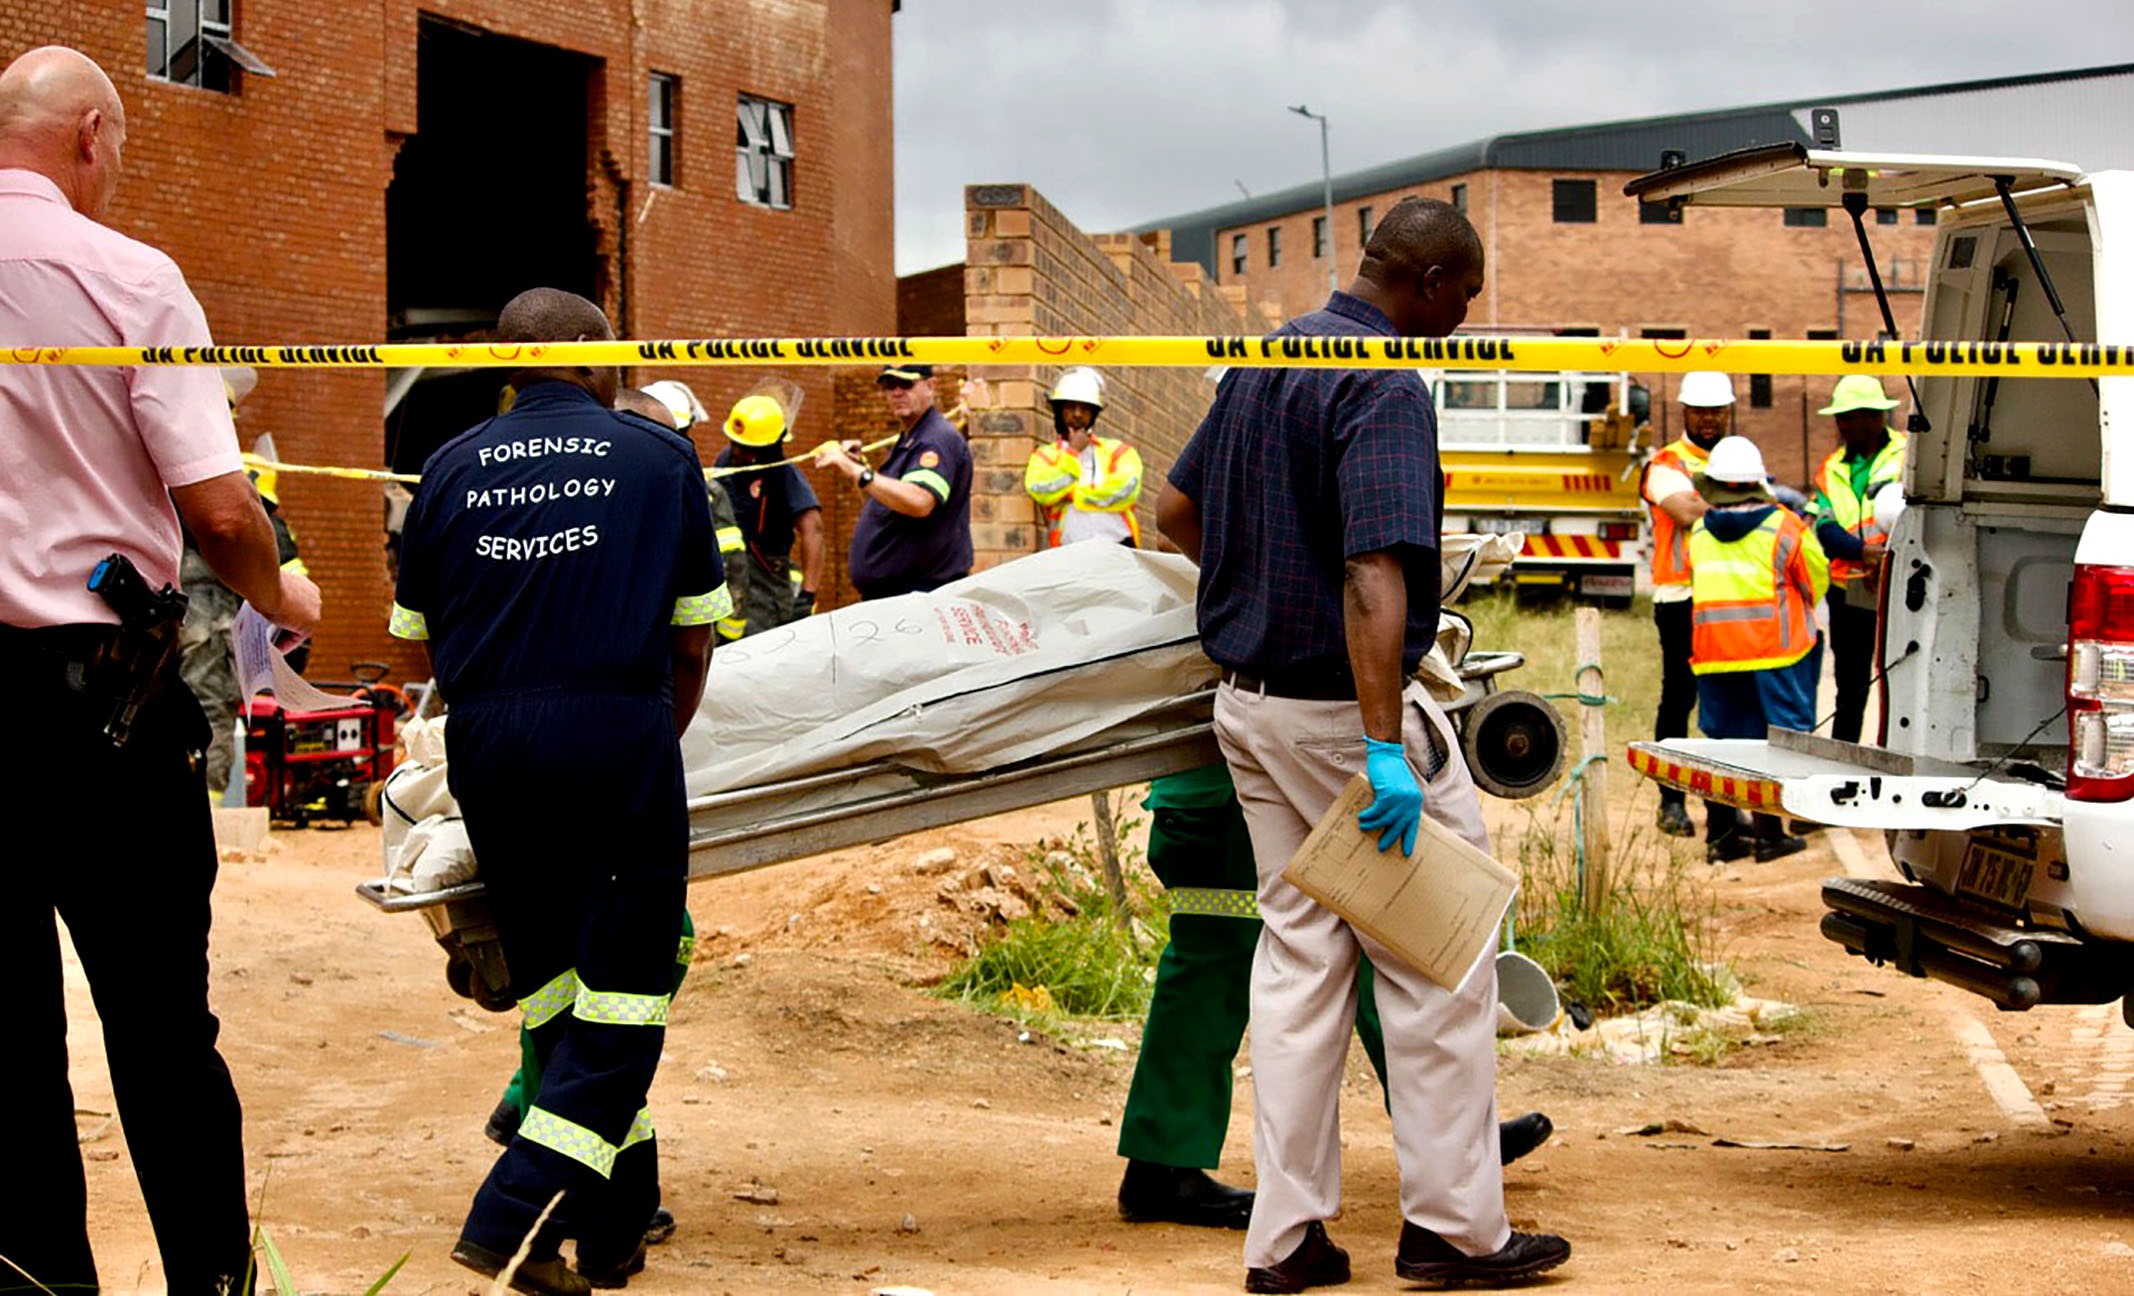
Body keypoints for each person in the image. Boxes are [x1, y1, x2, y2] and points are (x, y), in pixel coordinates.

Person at [1156, 196, 1569, 1292]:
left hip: (1250, 709)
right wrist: (1384, 744)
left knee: (1299, 966)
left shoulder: (1272, 357)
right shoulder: (1382, 382)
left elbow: (1175, 510)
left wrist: (1259, 584)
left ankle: (1287, 1240)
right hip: (1346, 722)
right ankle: (1454, 1232)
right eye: (1463, 299)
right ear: (1426, 284)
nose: (1463, 320)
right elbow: (1373, 570)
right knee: (1440, 965)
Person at [0, 45, 322, 1295]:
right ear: (90, 133)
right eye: (122, 145)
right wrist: (284, 596)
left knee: (6, 1052)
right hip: (105, 712)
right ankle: (211, 1285)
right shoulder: (130, 277)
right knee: (160, 1031)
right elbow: (223, 514)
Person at [390, 287, 726, 1295]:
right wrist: (640, 743)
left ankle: (610, 1232)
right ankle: (513, 1219)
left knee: (555, 996)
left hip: (489, 747)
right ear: (589, 353)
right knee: (626, 998)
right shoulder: (658, 458)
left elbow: (416, 644)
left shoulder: (447, 468)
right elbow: (694, 640)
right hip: (615, 732)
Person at [1115, 764, 1553, 1232]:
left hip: (1256, 792)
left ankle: (1452, 1137)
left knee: (1375, 951)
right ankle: (1160, 1166)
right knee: (1211, 968)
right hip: (1226, 802)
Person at [1688, 436, 1829, 864]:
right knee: (1775, 747)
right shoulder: (1785, 526)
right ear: (1758, 482)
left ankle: (1722, 837)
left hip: (1715, 655)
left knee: (1723, 746)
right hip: (1776, 655)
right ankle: (1769, 835)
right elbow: (1816, 580)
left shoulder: (1699, 531)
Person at [1641, 369, 1736, 841]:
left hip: (1728, 600)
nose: (1708, 419)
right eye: (1700, 411)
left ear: (1728, 412)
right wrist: (1739, 506)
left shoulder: (1738, 459)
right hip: (1680, 598)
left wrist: (1711, 506)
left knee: (1728, 703)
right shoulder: (1666, 463)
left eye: (1716, 411)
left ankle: (1727, 810)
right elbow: (1682, 512)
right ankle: (1671, 801)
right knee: (1679, 699)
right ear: (1684, 412)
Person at [815, 363, 972, 599]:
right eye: (890, 385)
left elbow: (920, 501)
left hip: (920, 594)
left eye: (906, 384)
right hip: (899, 595)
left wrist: (856, 471)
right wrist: (861, 465)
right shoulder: (912, 438)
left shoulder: (935, 439)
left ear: (930, 386)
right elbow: (891, 504)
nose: (897, 392)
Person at [1811, 374, 1907, 745]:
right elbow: (1824, 526)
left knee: (1899, 678)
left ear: (1875, 416)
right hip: (1848, 590)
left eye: (1850, 417)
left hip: (1897, 588)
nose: (1842, 425)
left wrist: (1885, 558)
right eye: (1840, 417)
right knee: (1850, 685)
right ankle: (1844, 754)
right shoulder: (1831, 468)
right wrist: (1862, 553)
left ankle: (1894, 752)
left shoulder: (1906, 456)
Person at [636, 381, 751, 640]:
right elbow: (732, 566)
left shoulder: (619, 478)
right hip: (683, 633)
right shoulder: (703, 487)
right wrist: (728, 636)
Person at [709, 391, 826, 631]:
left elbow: (813, 529)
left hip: (767, 580)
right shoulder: (726, 462)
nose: (736, 452)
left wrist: (808, 594)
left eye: (745, 448)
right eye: (734, 444)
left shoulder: (783, 475)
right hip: (730, 572)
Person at [1025, 367, 1144, 547]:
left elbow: (1125, 489)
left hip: (1118, 547)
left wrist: (1074, 494)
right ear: (1059, 410)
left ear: (1094, 413)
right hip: (1068, 549)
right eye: (1071, 407)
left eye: (1085, 409)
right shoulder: (1044, 456)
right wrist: (1073, 453)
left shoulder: (1118, 451)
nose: (1078, 414)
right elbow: (1040, 489)